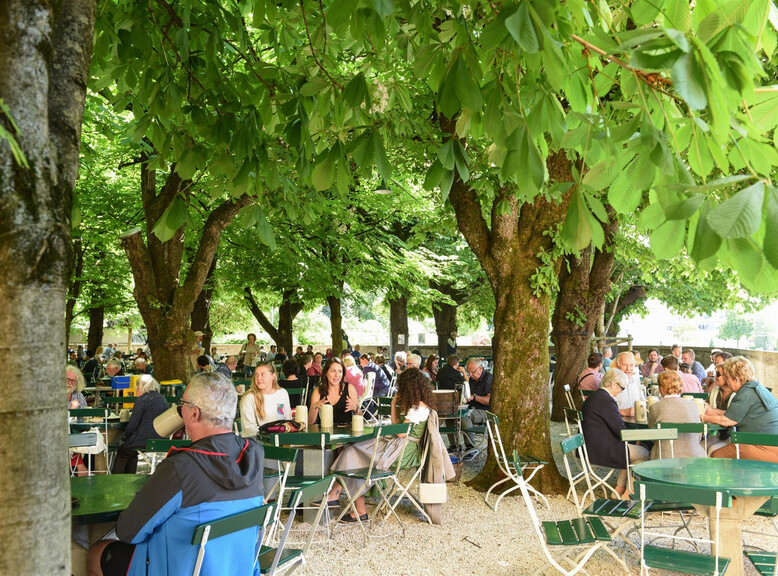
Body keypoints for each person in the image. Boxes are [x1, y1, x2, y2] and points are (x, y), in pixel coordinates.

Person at [87, 372, 264, 576]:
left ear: (194, 414)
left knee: (95, 553)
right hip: (237, 567)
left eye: (183, 405)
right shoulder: (254, 454)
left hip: (179, 568)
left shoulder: (181, 467)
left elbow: (128, 531)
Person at [327, 368, 432, 521]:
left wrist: (385, 429)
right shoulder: (414, 405)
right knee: (352, 453)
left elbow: (401, 433)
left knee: (353, 454)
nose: (400, 391)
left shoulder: (419, 407)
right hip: (397, 445)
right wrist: (394, 403)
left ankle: (338, 497)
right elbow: (397, 425)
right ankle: (350, 505)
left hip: (404, 451)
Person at [581, 368, 649, 497]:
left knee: (632, 449)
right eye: (622, 388)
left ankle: (620, 488)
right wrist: (636, 440)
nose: (621, 391)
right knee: (644, 453)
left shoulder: (595, 397)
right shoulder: (606, 400)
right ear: (613, 385)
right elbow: (620, 430)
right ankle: (629, 492)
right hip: (602, 449)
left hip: (591, 446)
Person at [705, 356, 778, 462]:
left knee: (716, 455)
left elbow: (726, 420)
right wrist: (712, 411)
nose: (728, 382)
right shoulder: (756, 387)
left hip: (764, 446)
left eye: (728, 378)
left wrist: (702, 416)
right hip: (769, 443)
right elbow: (736, 414)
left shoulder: (746, 393)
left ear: (737, 379)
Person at [112, 376, 170, 474]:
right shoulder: (162, 398)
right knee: (131, 451)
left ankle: (114, 480)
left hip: (144, 441)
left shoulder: (142, 400)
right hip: (160, 441)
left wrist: (126, 436)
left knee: (123, 450)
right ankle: (130, 478)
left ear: (141, 387)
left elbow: (133, 424)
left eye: (137, 387)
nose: (135, 390)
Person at [648, 371, 705, 459]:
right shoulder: (693, 405)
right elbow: (698, 436)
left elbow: (652, 436)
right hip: (695, 455)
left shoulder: (655, 407)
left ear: (661, 389)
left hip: (664, 456)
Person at [240, 362, 291, 438]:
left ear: (273, 376)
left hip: (280, 439)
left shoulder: (282, 393)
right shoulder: (249, 398)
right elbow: (249, 428)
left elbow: (287, 419)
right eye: (257, 375)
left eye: (262, 374)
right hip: (257, 442)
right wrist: (271, 435)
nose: (258, 378)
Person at [308, 358, 360, 426]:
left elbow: (360, 416)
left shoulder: (350, 388)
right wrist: (315, 407)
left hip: (347, 433)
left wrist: (355, 408)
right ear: (326, 373)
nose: (337, 375)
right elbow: (310, 422)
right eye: (333, 371)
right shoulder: (318, 391)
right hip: (325, 433)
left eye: (340, 371)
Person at [461, 358, 492, 449]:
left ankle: (470, 445)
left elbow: (490, 400)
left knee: (464, 416)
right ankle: (454, 445)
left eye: (473, 372)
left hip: (485, 411)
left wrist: (475, 397)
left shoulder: (488, 378)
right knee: (453, 414)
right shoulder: (472, 379)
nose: (470, 375)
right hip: (472, 408)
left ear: (480, 369)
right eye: (468, 372)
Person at [67, 366, 89, 476]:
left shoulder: (79, 396)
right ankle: (80, 466)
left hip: (78, 432)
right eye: (66, 379)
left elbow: (85, 416)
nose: (69, 383)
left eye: (73, 381)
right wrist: (71, 408)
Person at [612, 352, 643, 417]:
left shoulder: (636, 380)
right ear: (617, 366)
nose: (628, 369)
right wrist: (623, 412)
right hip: (617, 421)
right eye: (624, 365)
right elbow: (604, 408)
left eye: (631, 365)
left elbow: (642, 400)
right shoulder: (611, 382)